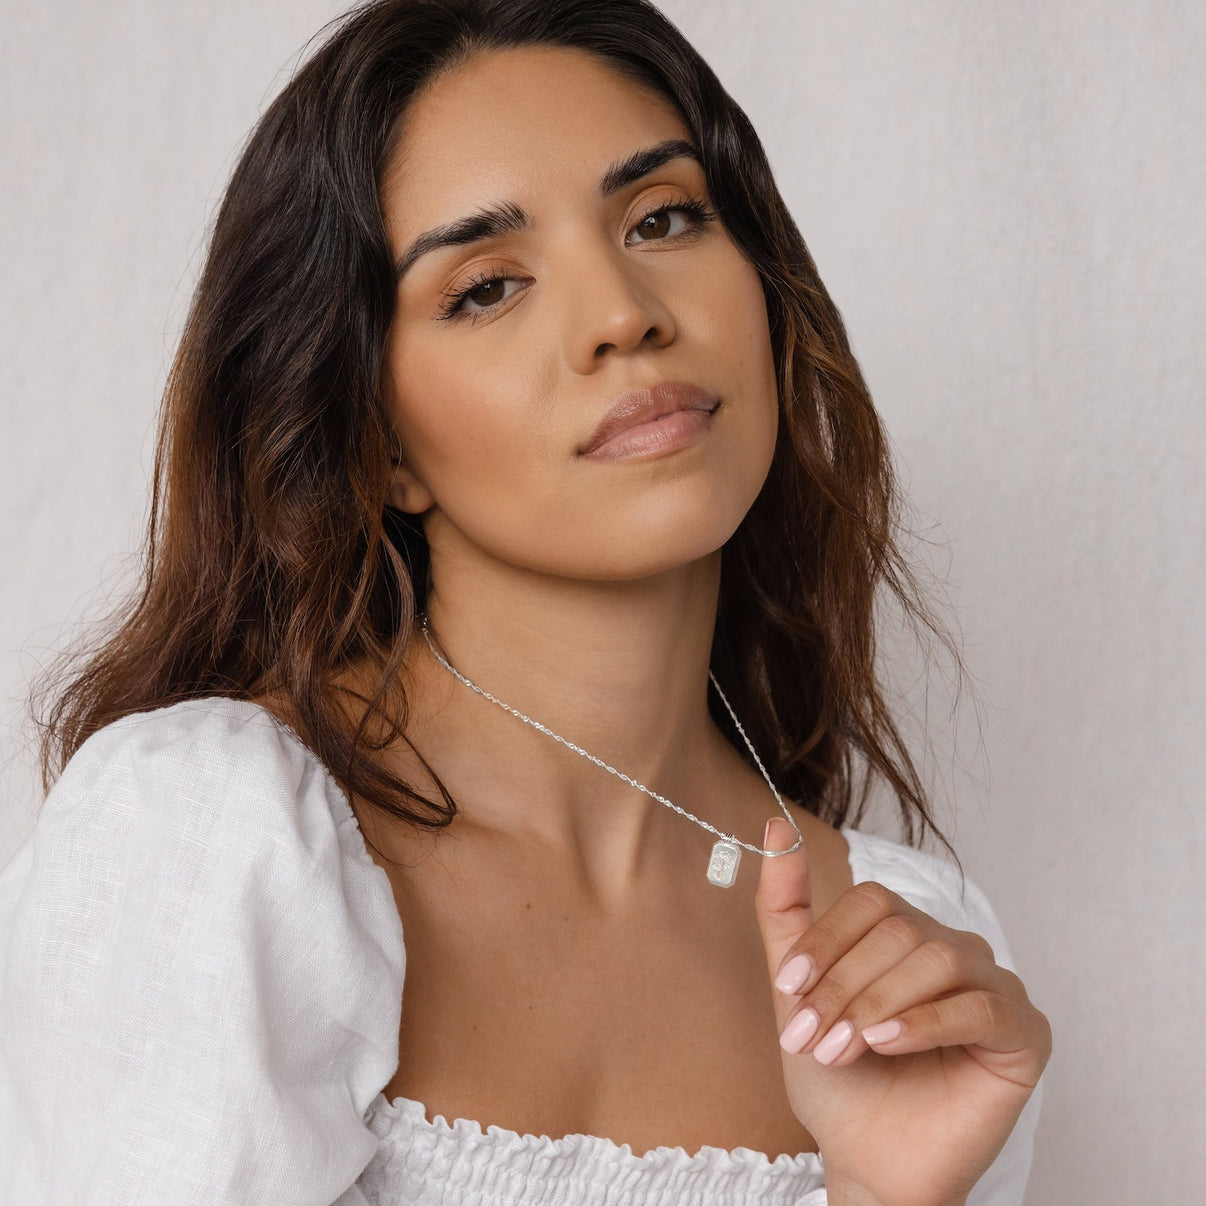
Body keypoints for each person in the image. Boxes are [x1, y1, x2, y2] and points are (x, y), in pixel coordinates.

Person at [0, 1, 1051, 1202]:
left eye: (663, 218)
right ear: (376, 443)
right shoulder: (214, 840)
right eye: (487, 287)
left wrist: (884, 1196)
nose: (623, 315)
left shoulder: (903, 945)